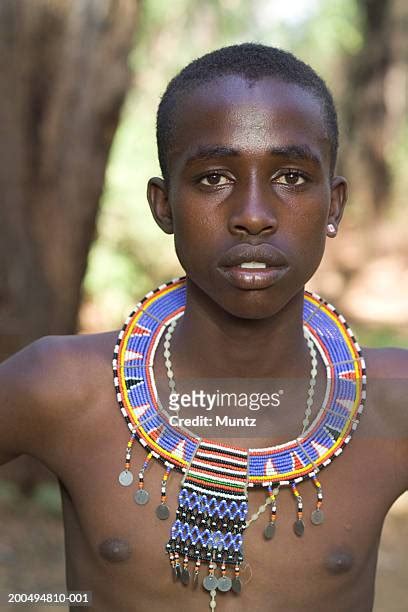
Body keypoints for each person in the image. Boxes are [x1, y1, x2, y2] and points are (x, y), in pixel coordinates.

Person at [0, 42, 407, 612]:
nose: (254, 215)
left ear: (333, 205)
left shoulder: (393, 402)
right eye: (213, 178)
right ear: (163, 205)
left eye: (291, 177)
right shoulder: (65, 388)